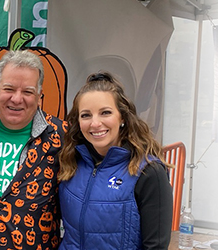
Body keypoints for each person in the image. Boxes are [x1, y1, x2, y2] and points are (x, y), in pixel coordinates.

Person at [0, 50, 66, 250]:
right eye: (9, 89)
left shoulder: (60, 137)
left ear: (39, 97)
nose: (16, 99)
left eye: (28, 92)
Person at [57, 72, 172, 249]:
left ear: (122, 117)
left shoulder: (148, 172)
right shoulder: (70, 161)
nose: (95, 123)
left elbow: (155, 246)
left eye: (105, 113)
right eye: (86, 115)